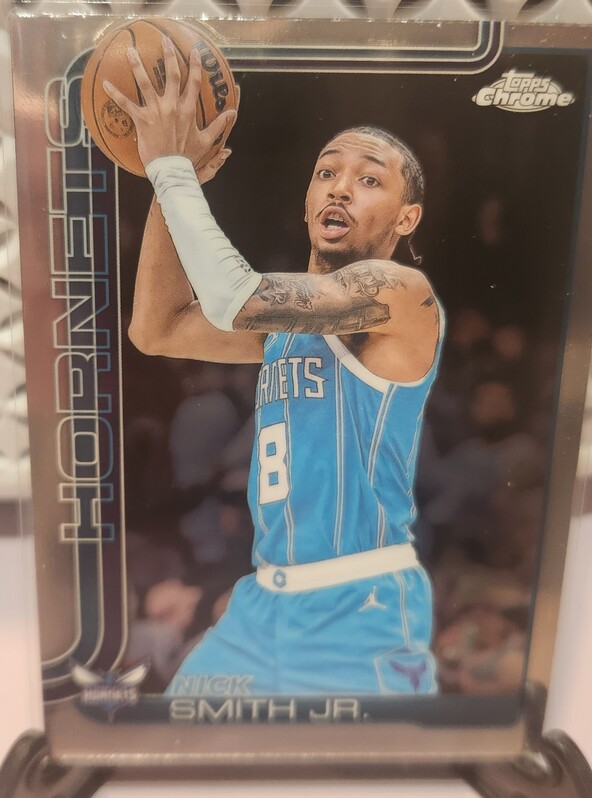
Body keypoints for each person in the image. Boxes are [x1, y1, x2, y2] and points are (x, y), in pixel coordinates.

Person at [104, 38, 445, 696]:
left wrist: (171, 168)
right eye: (326, 172)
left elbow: (233, 296)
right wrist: (175, 179)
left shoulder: (402, 294)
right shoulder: (283, 332)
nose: (340, 186)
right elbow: (156, 328)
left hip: (359, 603)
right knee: (172, 737)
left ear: (407, 217)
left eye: (369, 179)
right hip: (262, 602)